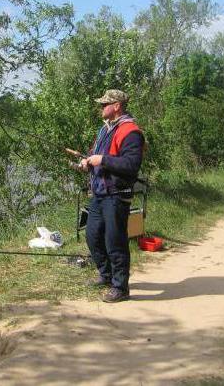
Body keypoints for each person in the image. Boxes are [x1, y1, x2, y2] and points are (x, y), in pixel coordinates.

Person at [78, 89, 144, 303]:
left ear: (116, 106)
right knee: (92, 235)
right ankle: (105, 275)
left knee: (115, 241)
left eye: (104, 104)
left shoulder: (131, 131)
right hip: (99, 193)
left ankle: (121, 287)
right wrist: (87, 163)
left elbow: (131, 165)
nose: (101, 108)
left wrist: (102, 160)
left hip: (117, 194)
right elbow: (96, 157)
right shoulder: (104, 130)